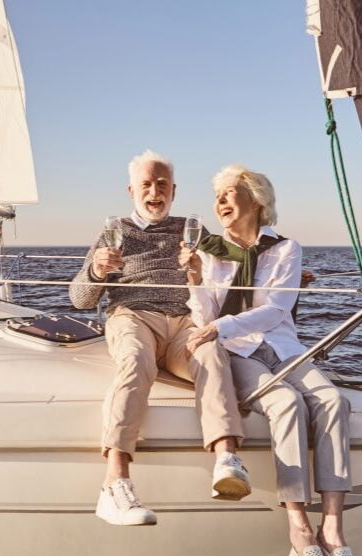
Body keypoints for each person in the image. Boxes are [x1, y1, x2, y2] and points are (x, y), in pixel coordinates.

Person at [179, 164, 362, 556]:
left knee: (334, 402)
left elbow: (278, 308)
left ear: (257, 200)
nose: (221, 202)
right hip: (237, 350)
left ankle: (334, 531)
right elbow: (205, 317)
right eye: (218, 195)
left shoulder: (285, 249)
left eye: (230, 193)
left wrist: (218, 326)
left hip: (282, 346)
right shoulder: (210, 251)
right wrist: (194, 282)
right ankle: (299, 529)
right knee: (286, 403)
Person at [70, 150, 246, 527]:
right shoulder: (114, 231)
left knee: (213, 352)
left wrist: (288, 272)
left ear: (174, 191)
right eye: (147, 184)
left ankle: (226, 460)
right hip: (134, 315)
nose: (155, 191)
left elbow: (239, 260)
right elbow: (81, 300)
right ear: (131, 190)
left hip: (186, 318)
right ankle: (114, 484)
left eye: (162, 184)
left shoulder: (192, 230)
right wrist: (98, 272)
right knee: (135, 360)